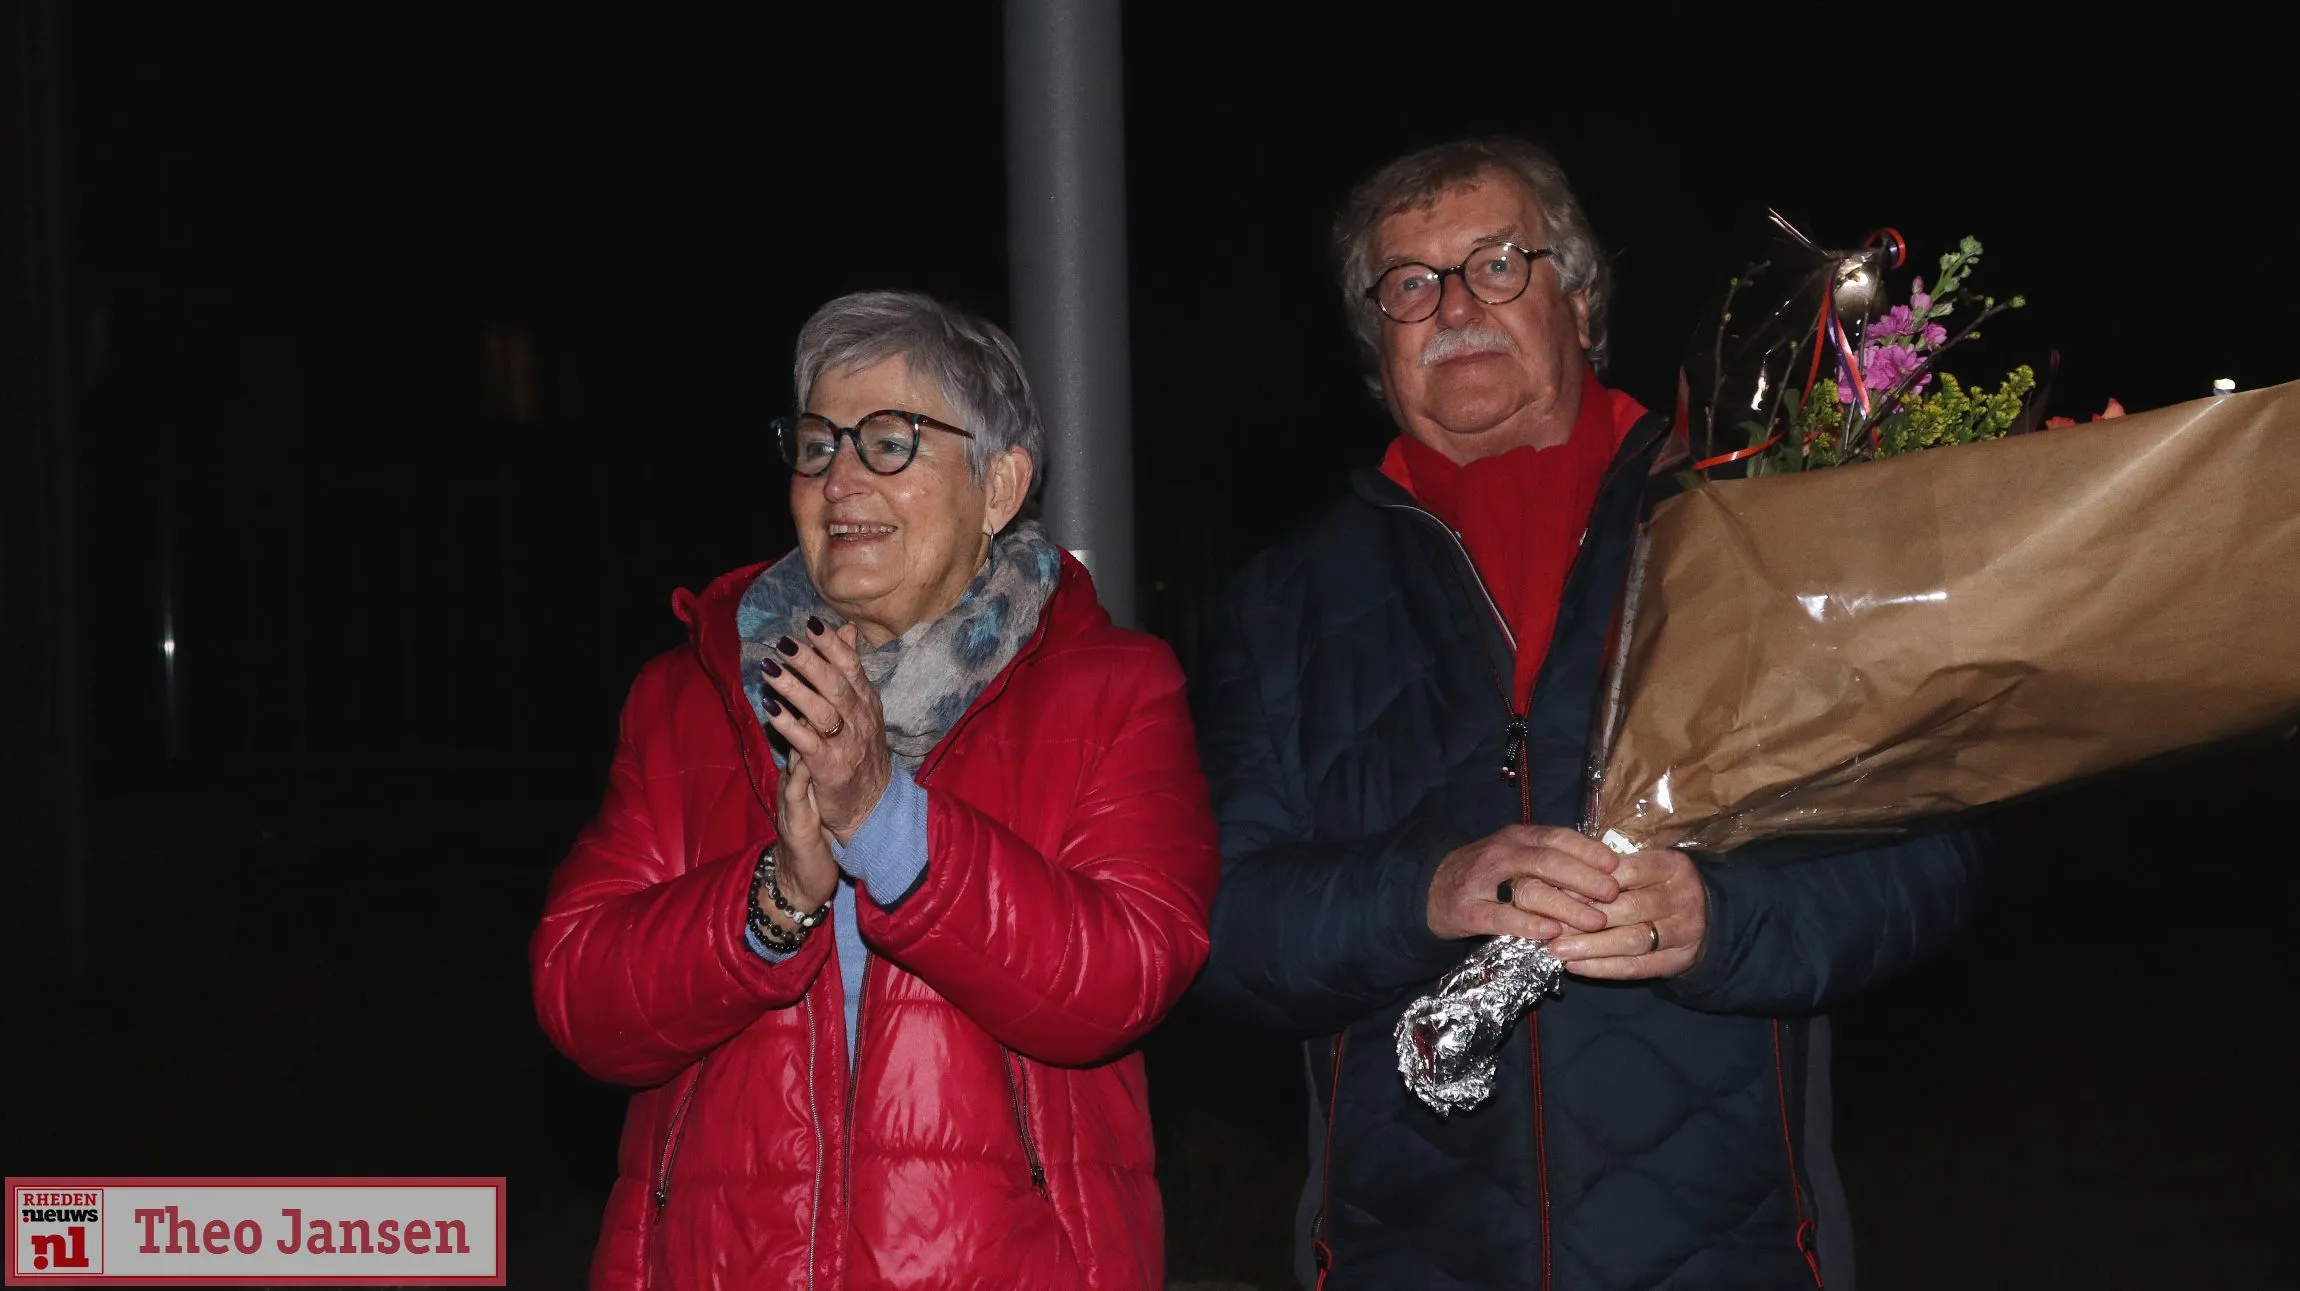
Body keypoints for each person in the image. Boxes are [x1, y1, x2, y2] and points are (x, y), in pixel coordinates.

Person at [1188, 136, 1985, 1290]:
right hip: (1398, 1255)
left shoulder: (1752, 515)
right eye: (1409, 284)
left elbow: (1930, 852)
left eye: (1496, 263)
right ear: (1375, 342)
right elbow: (1219, 927)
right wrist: (1425, 890)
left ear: (1578, 293)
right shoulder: (1287, 599)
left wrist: (1720, 921)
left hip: (1726, 1253)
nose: (1453, 303)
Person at [532, 290, 1220, 1290]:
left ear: (999, 484)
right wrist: (771, 898)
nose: (839, 477)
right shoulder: (691, 693)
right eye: (816, 445)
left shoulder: (1111, 687)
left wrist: (886, 822)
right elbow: (579, 993)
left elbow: (1122, 975)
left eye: (889, 442)